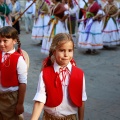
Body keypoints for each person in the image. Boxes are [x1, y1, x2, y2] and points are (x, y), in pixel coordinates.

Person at [31, 33, 87, 120]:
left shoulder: (79, 74)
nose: (66, 55)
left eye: (70, 50)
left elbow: (81, 100)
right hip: (49, 118)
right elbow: (39, 100)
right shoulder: (45, 73)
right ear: (54, 51)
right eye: (62, 50)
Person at [0, 26, 27, 120]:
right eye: (0, 41)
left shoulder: (18, 59)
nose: (1, 44)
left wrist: (20, 104)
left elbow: (23, 83)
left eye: (5, 41)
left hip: (10, 98)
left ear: (14, 41)